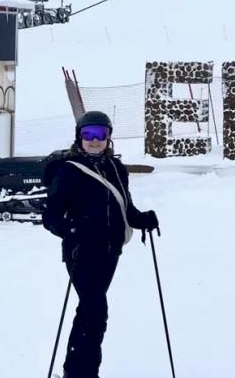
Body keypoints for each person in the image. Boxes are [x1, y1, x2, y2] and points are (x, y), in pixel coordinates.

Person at [42, 111, 160, 378]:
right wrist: (72, 229)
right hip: (80, 253)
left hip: (110, 252)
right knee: (95, 311)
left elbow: (125, 207)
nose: (94, 141)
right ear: (79, 136)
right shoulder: (68, 170)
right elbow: (50, 217)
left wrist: (142, 219)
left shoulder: (116, 169)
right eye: (88, 134)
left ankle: (78, 370)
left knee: (90, 312)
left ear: (108, 137)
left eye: (100, 135)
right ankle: (81, 373)